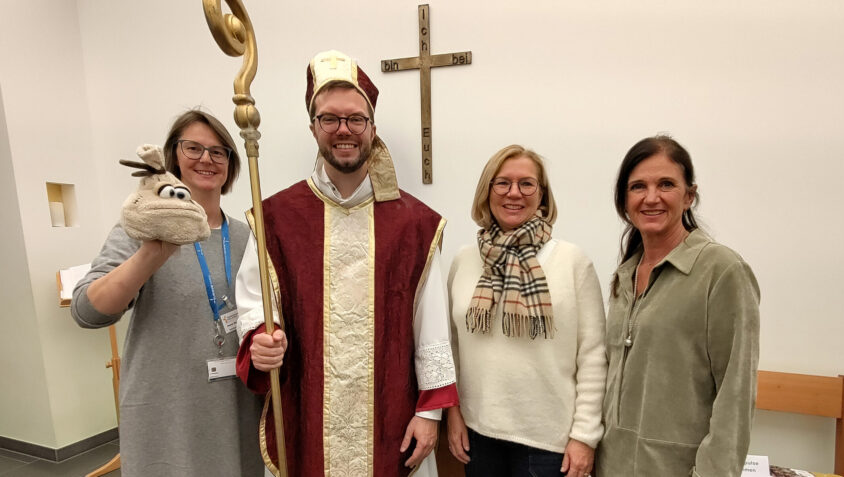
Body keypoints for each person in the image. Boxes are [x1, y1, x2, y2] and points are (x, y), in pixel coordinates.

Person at [234, 50, 459, 477]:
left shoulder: (416, 224)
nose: (344, 130)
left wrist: (430, 413)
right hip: (307, 414)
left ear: (372, 127)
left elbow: (431, 326)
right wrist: (262, 338)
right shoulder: (274, 219)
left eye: (356, 119)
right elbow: (254, 302)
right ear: (313, 127)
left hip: (392, 417)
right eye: (329, 119)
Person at [71, 110, 264, 476]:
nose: (206, 159)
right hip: (165, 407)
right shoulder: (140, 230)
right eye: (193, 148)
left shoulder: (248, 237)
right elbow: (87, 310)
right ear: (172, 157)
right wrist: (150, 254)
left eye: (218, 151)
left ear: (231, 164)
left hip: (234, 405)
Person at [595, 135, 760, 476]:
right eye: (638, 187)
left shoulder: (721, 270)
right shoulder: (624, 276)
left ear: (689, 196)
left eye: (666, 184)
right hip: (613, 465)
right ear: (625, 202)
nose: (651, 197)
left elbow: (735, 394)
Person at [446, 145, 607, 477]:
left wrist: (585, 437)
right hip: (478, 436)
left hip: (551, 445)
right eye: (502, 183)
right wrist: (454, 413)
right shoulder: (465, 260)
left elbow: (593, 355)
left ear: (542, 196)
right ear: (487, 192)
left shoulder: (572, 261)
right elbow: (452, 348)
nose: (513, 193)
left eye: (526, 184)